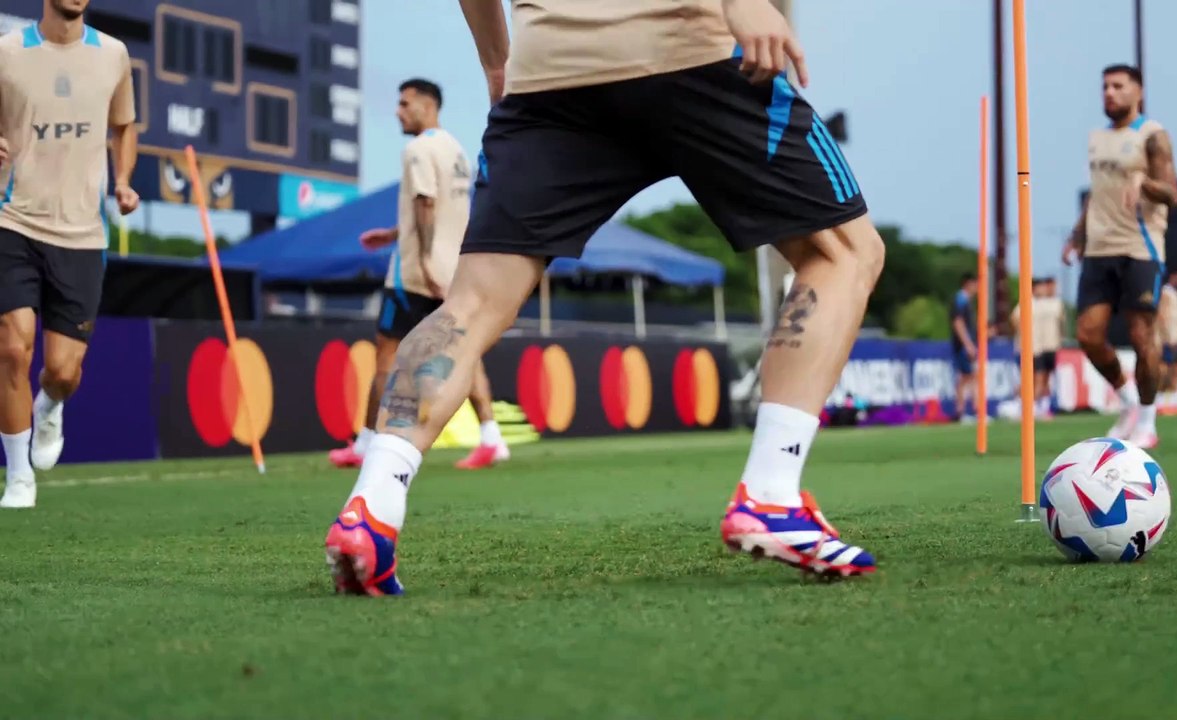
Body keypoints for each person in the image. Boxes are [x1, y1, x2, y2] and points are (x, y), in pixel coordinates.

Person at [323, 0, 886, 595]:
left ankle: (372, 507)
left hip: (547, 75)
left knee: (471, 304)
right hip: (690, 49)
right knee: (845, 251)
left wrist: (498, 65)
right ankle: (771, 492)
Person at [328, 79, 509, 472]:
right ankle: (492, 436)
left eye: (405, 103)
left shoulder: (417, 149)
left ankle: (366, 443)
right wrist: (395, 233)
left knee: (386, 352)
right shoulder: (457, 151)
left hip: (415, 274)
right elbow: (440, 210)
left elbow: (426, 203)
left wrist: (424, 260)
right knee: (465, 349)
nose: (397, 110)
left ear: (428, 106)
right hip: (454, 270)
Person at [0, 0, 138, 509]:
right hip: (11, 220)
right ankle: (18, 477)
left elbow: (124, 126)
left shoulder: (114, 55)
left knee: (61, 371)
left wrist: (122, 182)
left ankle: (51, 405)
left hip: (81, 234)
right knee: (13, 347)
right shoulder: (7, 54)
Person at [1062, 64, 1177, 449]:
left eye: (1118, 86)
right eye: (1105, 87)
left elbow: (1173, 194)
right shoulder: (1097, 139)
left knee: (1142, 334)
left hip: (1139, 247)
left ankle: (1148, 419)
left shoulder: (1152, 136)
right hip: (1099, 248)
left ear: (1138, 92)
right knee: (1088, 335)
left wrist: (1144, 182)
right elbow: (1099, 191)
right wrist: (1077, 234)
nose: (1109, 93)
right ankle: (1128, 401)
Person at [1012, 278, 1066, 419]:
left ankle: (1042, 406)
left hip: (1049, 345)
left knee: (1046, 378)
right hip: (1033, 347)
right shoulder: (1028, 303)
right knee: (1035, 378)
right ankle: (1027, 407)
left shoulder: (1053, 303)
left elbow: (1061, 323)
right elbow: (1015, 319)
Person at [1156, 266, 1177, 409]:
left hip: (1175, 337)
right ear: (1174, 276)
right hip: (1167, 338)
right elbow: (1162, 315)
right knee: (1164, 367)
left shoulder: (1174, 293)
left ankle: (1174, 395)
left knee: (1175, 367)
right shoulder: (1166, 292)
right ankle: (1159, 395)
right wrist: (1167, 337)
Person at [950, 273, 979, 423]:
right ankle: (961, 410)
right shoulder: (961, 299)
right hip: (962, 346)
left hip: (966, 344)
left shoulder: (966, 300)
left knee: (972, 376)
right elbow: (958, 322)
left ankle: (973, 409)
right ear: (969, 284)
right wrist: (968, 344)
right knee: (965, 376)